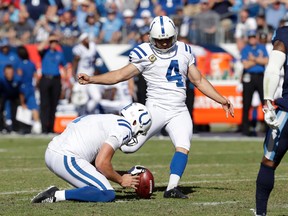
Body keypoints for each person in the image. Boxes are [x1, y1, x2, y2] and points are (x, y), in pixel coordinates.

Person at [78, 16, 235, 198]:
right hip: (155, 109)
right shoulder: (144, 53)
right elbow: (120, 75)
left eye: (167, 39)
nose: (164, 44)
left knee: (183, 145)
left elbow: (198, 80)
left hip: (178, 109)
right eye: (160, 40)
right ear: (152, 38)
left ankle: (172, 188)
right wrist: (92, 79)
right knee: (129, 148)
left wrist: (222, 99)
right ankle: (94, 162)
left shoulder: (184, 50)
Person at [31, 102, 152, 203]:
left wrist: (123, 175)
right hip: (67, 157)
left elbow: (95, 166)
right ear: (135, 122)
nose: (135, 135)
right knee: (106, 193)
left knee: (96, 188)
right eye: (139, 132)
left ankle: (57, 194)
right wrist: (121, 180)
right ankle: (56, 195)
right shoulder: (124, 128)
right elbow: (101, 164)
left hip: (53, 152)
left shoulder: (108, 118)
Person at [252, 25, 288, 216]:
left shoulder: (284, 34)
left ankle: (261, 213)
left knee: (269, 161)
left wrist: (267, 100)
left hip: (287, 112)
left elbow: (273, 67)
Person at [240, 30, 268, 136]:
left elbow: (266, 61)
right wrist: (258, 60)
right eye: (250, 37)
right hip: (249, 77)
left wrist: (253, 59)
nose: (252, 39)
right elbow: (245, 65)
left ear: (256, 38)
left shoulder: (261, 47)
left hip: (260, 76)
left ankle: (267, 127)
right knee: (247, 103)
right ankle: (245, 128)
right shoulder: (245, 49)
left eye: (253, 37)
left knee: (264, 103)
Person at [38, 34, 68, 134]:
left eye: (55, 42)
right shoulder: (45, 52)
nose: (54, 44)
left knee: (53, 104)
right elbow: (39, 48)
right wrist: (48, 39)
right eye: (52, 42)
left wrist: (66, 81)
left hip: (56, 79)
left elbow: (65, 66)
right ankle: (44, 128)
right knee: (44, 104)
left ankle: (51, 127)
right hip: (45, 78)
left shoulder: (59, 53)